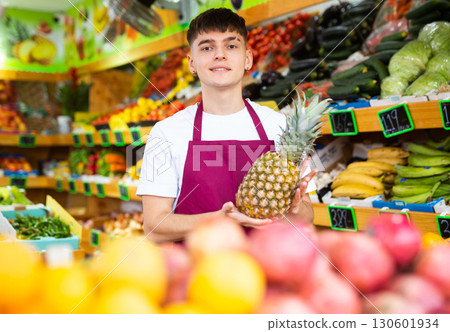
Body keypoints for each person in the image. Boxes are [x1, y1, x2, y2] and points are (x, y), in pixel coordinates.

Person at [137, 8, 317, 243]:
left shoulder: (281, 126)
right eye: (207, 47)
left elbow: (308, 216)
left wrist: (293, 210)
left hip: (269, 270)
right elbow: (153, 227)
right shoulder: (165, 132)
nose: (219, 55)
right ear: (192, 63)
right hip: (199, 274)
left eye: (231, 46)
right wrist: (219, 218)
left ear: (248, 58)